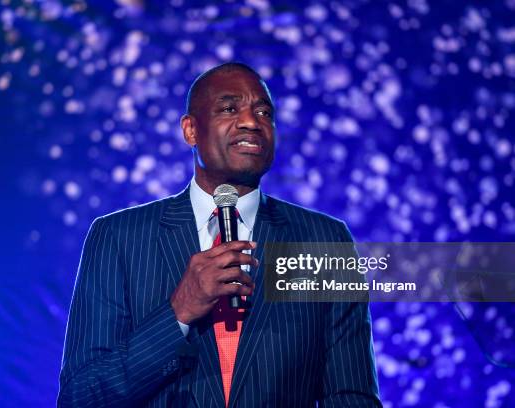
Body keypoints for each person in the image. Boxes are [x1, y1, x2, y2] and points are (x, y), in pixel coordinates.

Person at [58, 62, 381, 407]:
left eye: (264, 112)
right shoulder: (118, 237)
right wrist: (178, 313)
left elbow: (352, 396)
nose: (251, 122)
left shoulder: (324, 241)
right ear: (190, 130)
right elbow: (81, 396)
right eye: (229, 108)